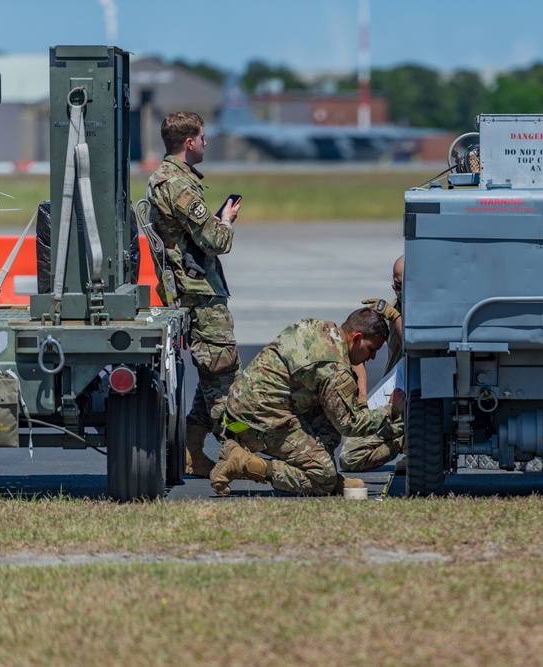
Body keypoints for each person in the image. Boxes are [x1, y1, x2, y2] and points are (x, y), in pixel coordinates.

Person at [210, 307, 406, 497]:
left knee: (328, 411)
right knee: (324, 480)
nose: (372, 357)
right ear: (356, 338)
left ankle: (321, 469)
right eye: (372, 349)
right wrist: (390, 411)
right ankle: (245, 463)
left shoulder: (319, 328)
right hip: (254, 423)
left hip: (240, 408)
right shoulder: (335, 370)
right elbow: (350, 424)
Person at [146, 111, 241, 478]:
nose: (206, 142)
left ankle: (192, 449)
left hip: (196, 290)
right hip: (200, 294)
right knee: (224, 379)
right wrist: (227, 221)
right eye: (203, 137)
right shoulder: (177, 184)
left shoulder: (169, 179)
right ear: (189, 142)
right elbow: (216, 241)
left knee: (213, 373)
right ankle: (237, 453)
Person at [340, 255, 406, 474]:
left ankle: (412, 443)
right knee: (350, 457)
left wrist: (395, 315)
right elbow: (355, 351)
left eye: (402, 285)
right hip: (393, 399)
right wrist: (362, 399)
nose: (398, 291)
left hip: (422, 405)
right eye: (395, 285)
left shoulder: (429, 310)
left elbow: (412, 345)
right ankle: (402, 440)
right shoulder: (392, 309)